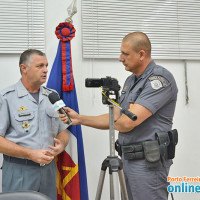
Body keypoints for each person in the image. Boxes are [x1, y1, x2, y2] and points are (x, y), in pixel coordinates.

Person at [59, 32, 178, 200]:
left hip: (148, 164)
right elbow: (116, 115)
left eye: (125, 54)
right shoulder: (131, 81)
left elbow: (126, 123)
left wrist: (117, 119)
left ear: (141, 54)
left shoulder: (159, 80)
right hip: (128, 160)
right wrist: (80, 119)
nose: (120, 58)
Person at [0, 49, 69, 200]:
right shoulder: (6, 98)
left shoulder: (53, 96)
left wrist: (61, 145)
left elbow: (62, 131)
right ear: (23, 68)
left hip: (48, 170)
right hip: (19, 169)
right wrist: (30, 154)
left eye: (46, 65)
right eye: (40, 66)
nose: (45, 70)